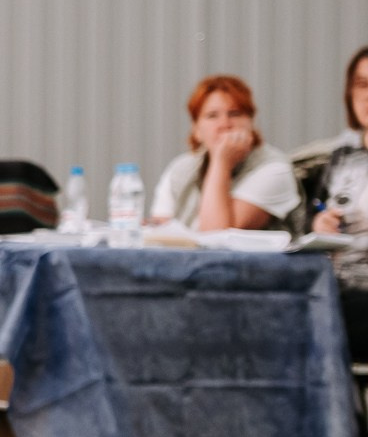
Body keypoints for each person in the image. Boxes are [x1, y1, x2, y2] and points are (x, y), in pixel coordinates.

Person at [147, 75, 300, 232]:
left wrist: (221, 163)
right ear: (196, 130)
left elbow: (215, 233)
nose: (225, 124)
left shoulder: (274, 169)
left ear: (251, 123)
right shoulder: (180, 169)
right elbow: (160, 230)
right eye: (212, 116)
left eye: (235, 114)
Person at [306, 46, 368, 361]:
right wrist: (320, 225)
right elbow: (315, 213)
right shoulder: (341, 158)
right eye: (362, 84)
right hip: (335, 286)